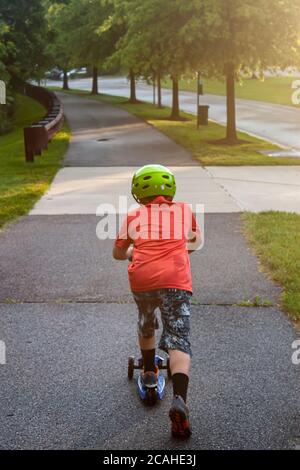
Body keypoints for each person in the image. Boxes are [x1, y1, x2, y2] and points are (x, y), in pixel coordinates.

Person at [113, 164, 201, 438]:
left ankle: (150, 370)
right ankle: (180, 400)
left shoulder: (133, 216)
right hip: (176, 280)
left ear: (138, 192)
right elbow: (194, 243)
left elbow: (118, 253)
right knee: (178, 338)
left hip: (144, 279)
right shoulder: (185, 210)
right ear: (171, 189)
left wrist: (131, 252)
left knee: (146, 322)